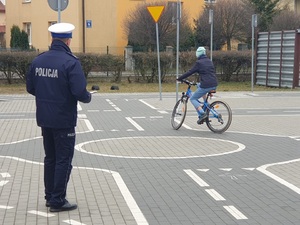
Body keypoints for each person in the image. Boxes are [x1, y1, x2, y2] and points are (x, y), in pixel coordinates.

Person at [26, 22, 92, 212]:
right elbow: (80, 92)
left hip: (45, 118)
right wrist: (88, 97)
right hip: (64, 119)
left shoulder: (38, 61)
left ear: (52, 39)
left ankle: (49, 196)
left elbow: (31, 88)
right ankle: (57, 200)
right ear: (68, 40)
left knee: (50, 158)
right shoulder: (71, 62)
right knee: (63, 159)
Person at [177, 47, 218, 124]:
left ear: (198, 53)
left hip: (206, 84)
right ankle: (206, 104)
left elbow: (190, 72)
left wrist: (179, 78)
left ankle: (202, 113)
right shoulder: (209, 61)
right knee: (199, 85)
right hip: (214, 84)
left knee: (193, 98)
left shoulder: (199, 63)